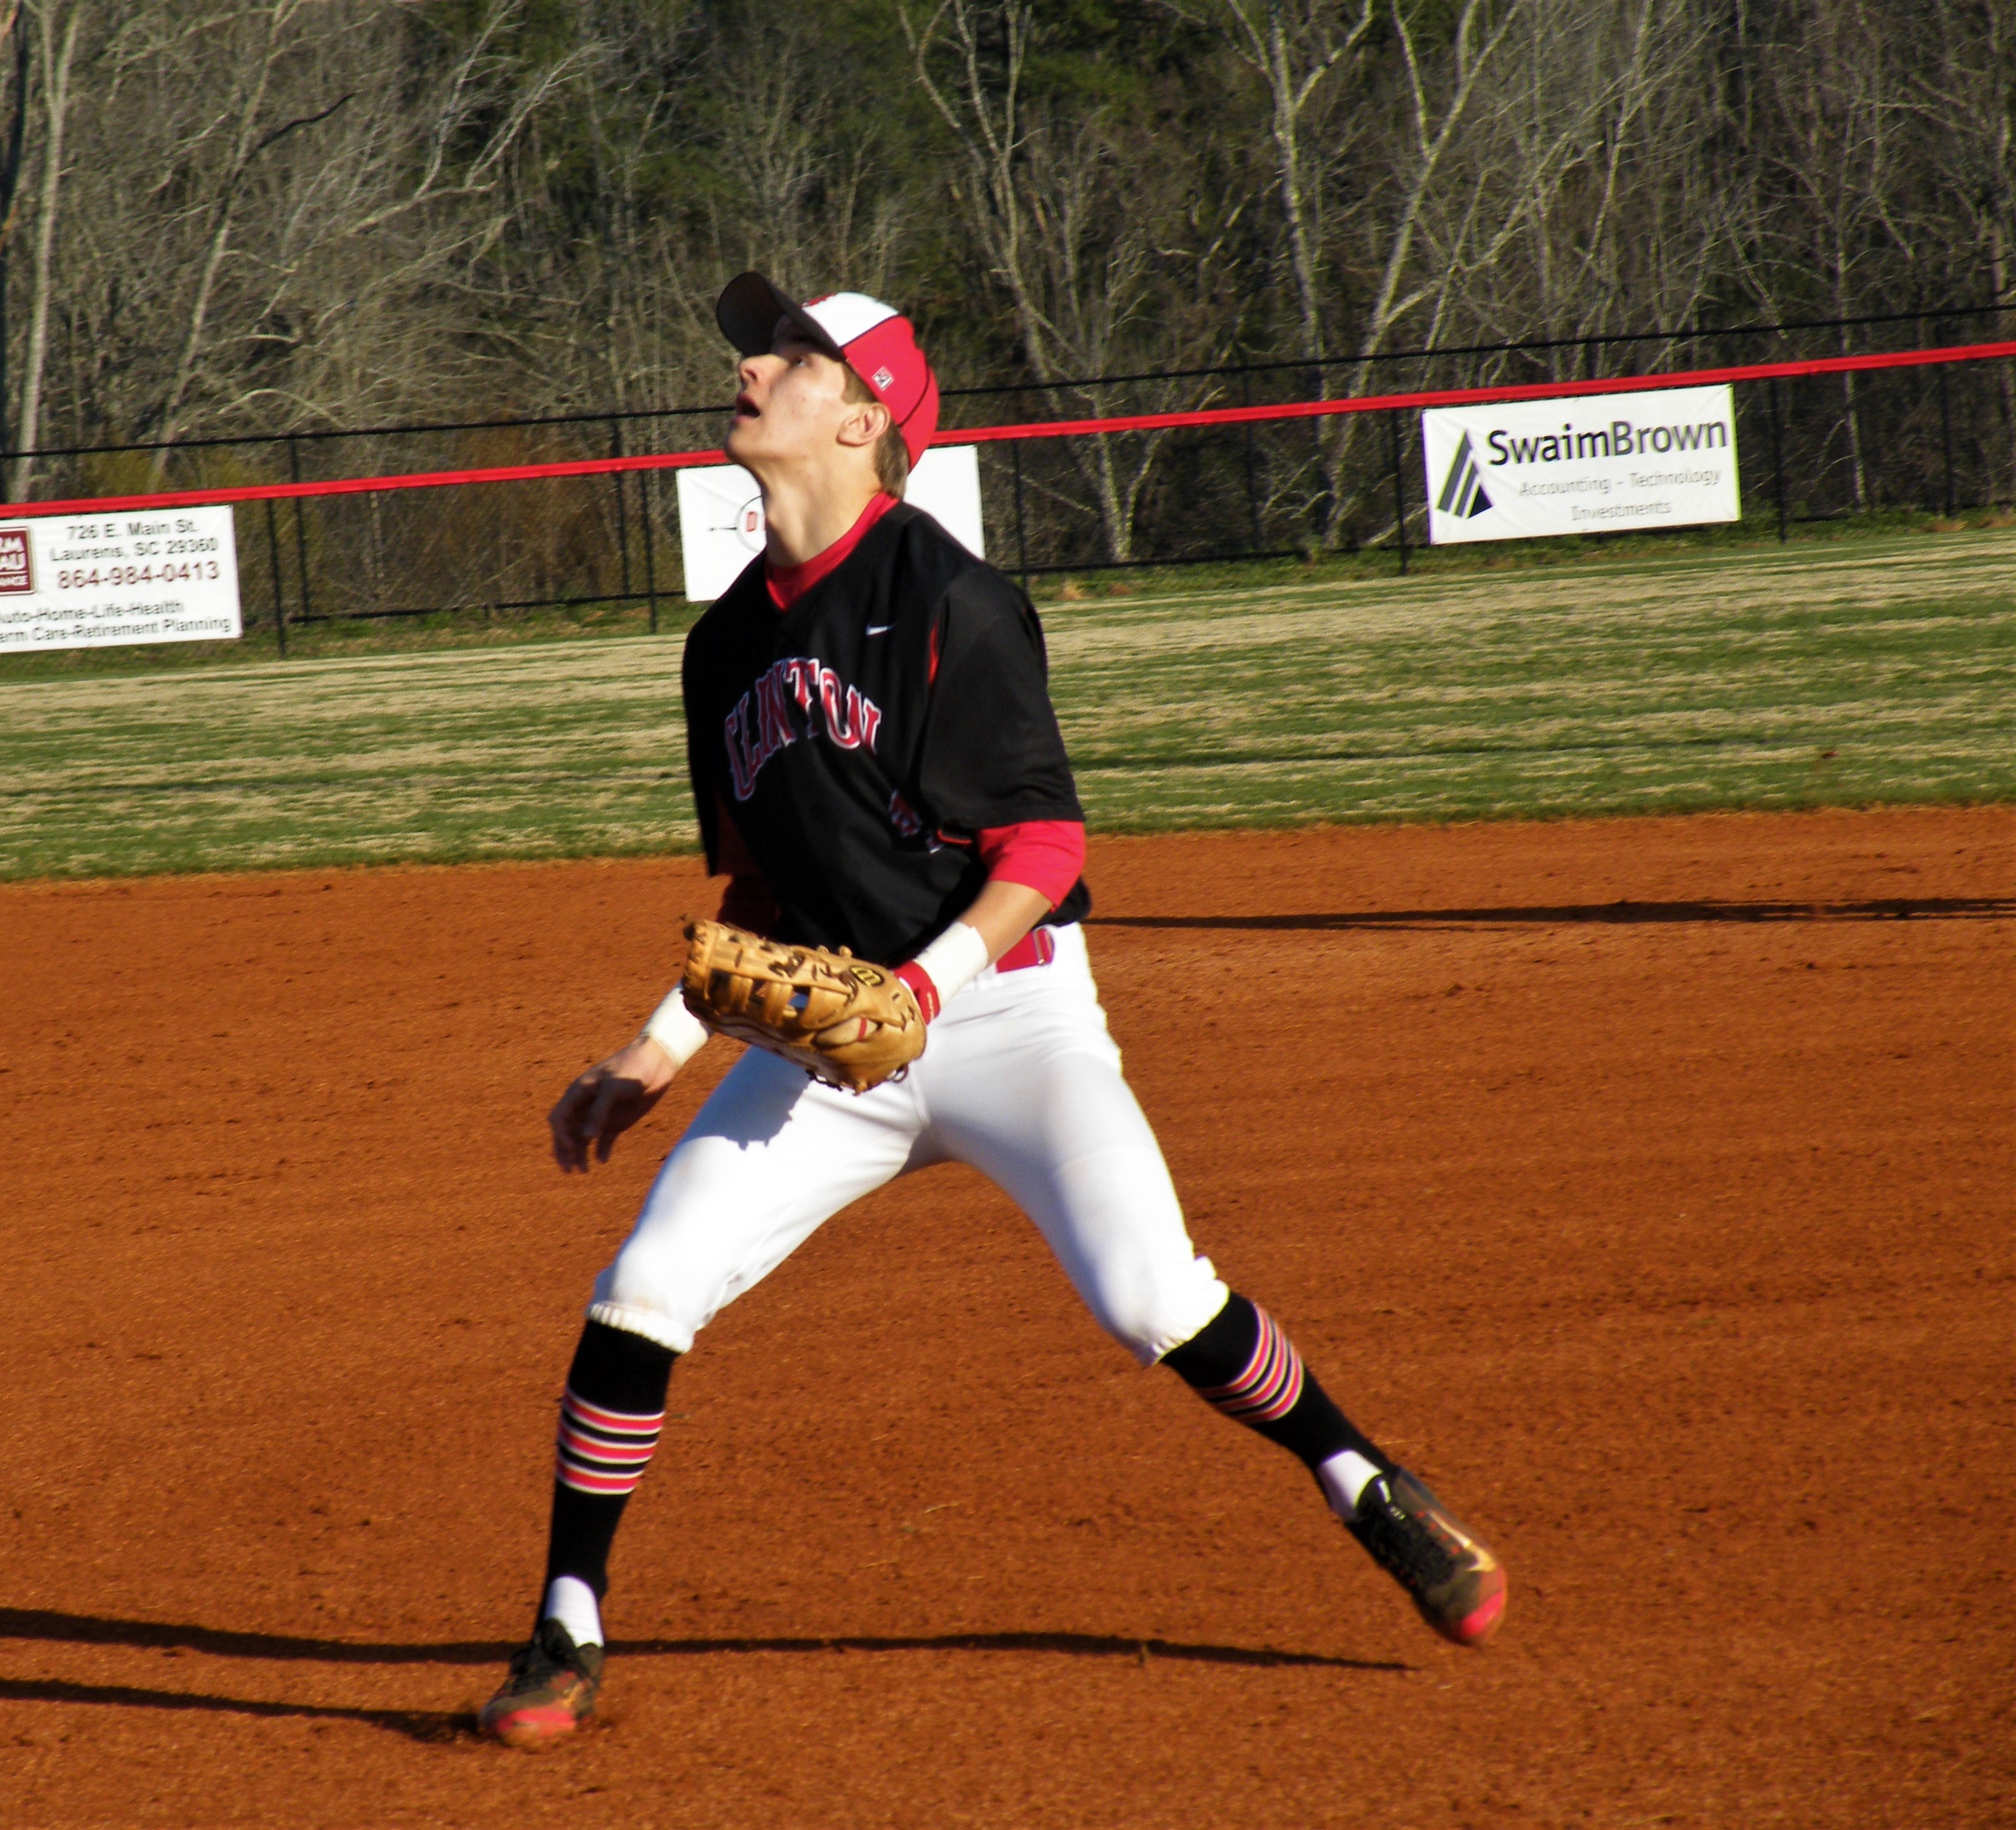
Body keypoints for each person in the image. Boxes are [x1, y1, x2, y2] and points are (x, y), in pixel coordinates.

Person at [477, 273, 1506, 1750]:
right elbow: (765, 889)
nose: (753, 369)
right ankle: (566, 1625)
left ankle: (1365, 1481)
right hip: (833, 1040)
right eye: (762, 351)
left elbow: (1046, 846)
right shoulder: (724, 647)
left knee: (1154, 1300)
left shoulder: (951, 598)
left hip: (1010, 1020)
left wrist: (924, 986)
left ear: (864, 416)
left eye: (795, 356)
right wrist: (660, 1046)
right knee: (643, 1289)